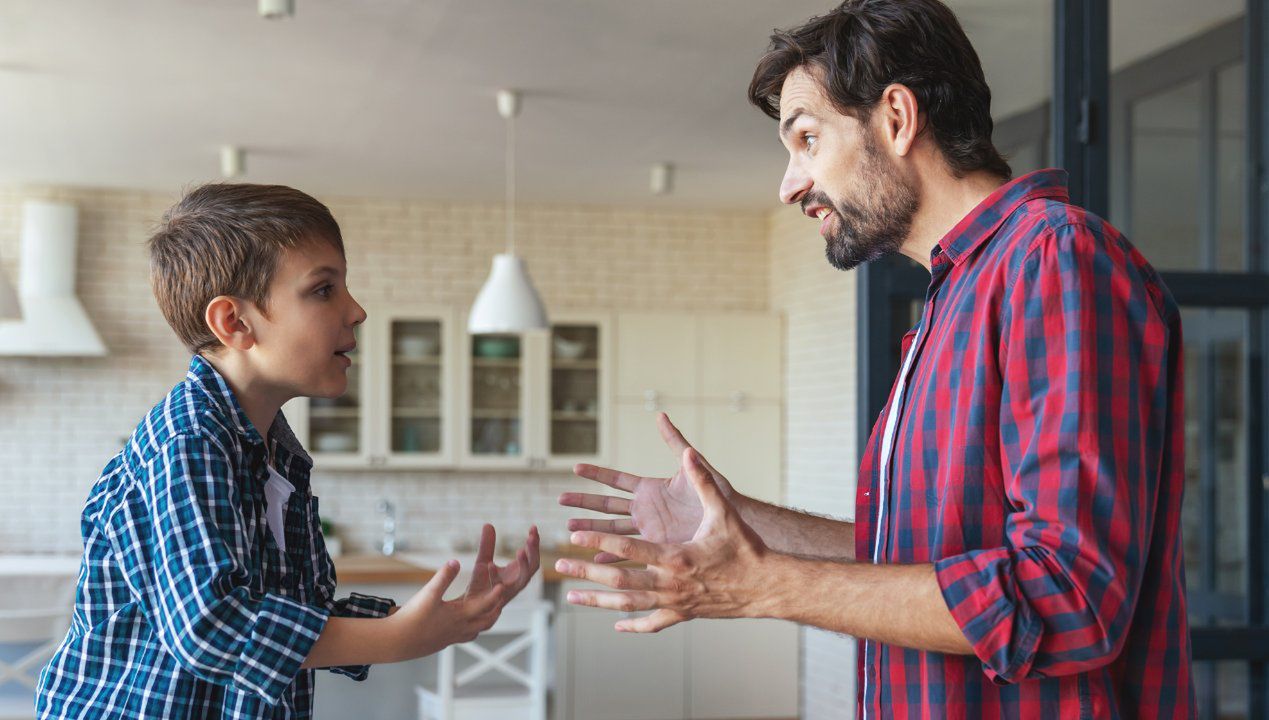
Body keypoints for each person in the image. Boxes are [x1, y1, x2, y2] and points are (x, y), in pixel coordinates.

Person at [556, 1, 1194, 717]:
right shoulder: (953, 301)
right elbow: (923, 559)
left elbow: (1066, 597)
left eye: (805, 138)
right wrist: (743, 522)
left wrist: (763, 584)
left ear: (895, 118)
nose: (788, 184)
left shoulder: (1051, 260)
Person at [35, 183, 540, 719]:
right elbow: (212, 627)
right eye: (324, 290)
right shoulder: (189, 438)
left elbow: (293, 612)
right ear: (234, 323)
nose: (357, 310)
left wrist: (438, 617)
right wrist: (397, 638)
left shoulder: (277, 453)